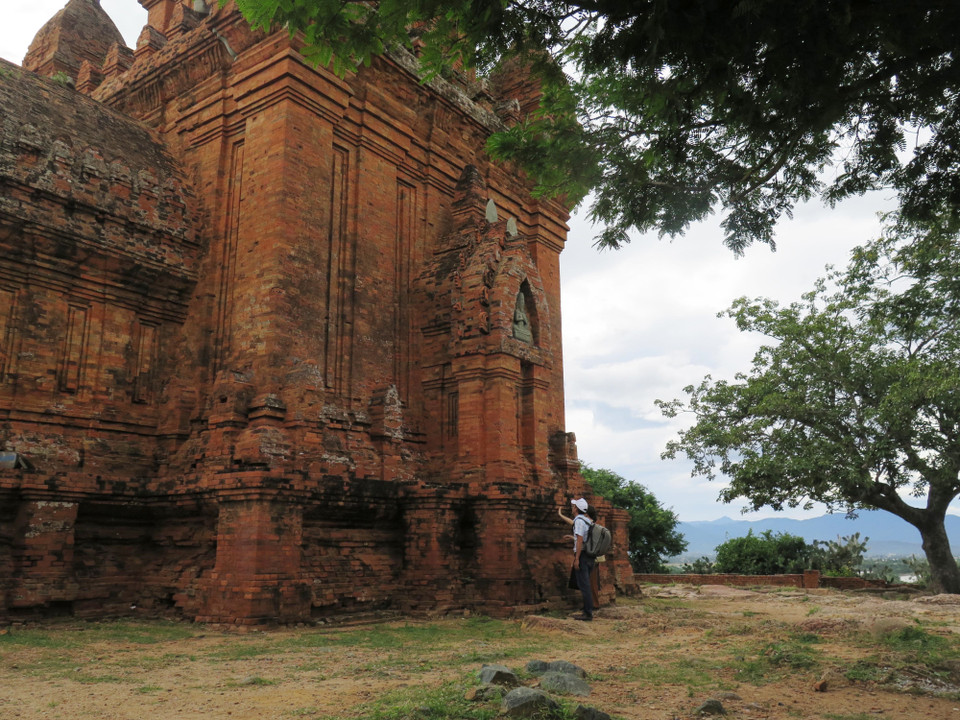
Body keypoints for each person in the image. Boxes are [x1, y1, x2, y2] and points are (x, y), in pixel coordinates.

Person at [558, 503, 601, 610]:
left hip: (589, 556)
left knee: (589, 582)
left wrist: (560, 514)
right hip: (592, 555)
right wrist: (574, 538)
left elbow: (580, 537)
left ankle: (592, 606)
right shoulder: (589, 523)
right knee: (589, 582)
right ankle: (591, 606)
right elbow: (582, 538)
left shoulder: (585, 522)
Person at [568, 497, 595, 621]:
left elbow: (580, 540)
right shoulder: (588, 521)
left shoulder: (578, 521)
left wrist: (577, 559)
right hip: (590, 555)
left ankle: (588, 613)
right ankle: (586, 609)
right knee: (585, 583)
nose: (572, 508)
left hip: (583, 555)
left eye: (573, 506)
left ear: (576, 509)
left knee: (584, 585)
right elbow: (583, 539)